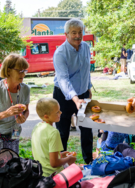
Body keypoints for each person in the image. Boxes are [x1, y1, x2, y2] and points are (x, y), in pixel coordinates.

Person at [53, 18, 93, 164]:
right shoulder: (60, 53)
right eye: (73, 33)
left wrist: (88, 88)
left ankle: (89, 161)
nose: (77, 36)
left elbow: (86, 70)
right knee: (63, 132)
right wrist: (75, 99)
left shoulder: (86, 47)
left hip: (83, 94)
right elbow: (63, 79)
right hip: (63, 96)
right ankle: (61, 164)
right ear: (66, 34)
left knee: (87, 129)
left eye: (80, 32)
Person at [31, 98, 76, 177]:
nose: (61, 112)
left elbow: (40, 153)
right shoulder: (53, 132)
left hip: (40, 173)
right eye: (57, 112)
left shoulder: (37, 126)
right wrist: (69, 159)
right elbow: (54, 163)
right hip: (53, 175)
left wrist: (60, 155)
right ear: (46, 116)